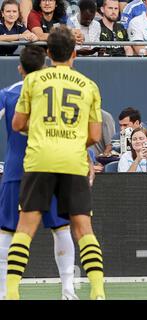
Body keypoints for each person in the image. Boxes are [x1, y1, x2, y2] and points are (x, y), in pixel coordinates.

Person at [7, 26, 105, 300]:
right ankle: (97, 291)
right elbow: (95, 135)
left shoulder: (33, 81)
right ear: (75, 53)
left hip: (39, 160)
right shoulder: (89, 85)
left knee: (25, 228)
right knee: (83, 228)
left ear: (48, 53)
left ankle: (12, 292)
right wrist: (73, 141)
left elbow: (17, 124)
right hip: (73, 162)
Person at [0, 45, 78, 301]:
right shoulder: (59, 89)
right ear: (44, 65)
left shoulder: (9, 94)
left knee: (8, 232)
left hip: (17, 169)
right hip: (53, 167)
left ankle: (5, 293)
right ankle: (68, 290)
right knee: (62, 228)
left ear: (20, 67)